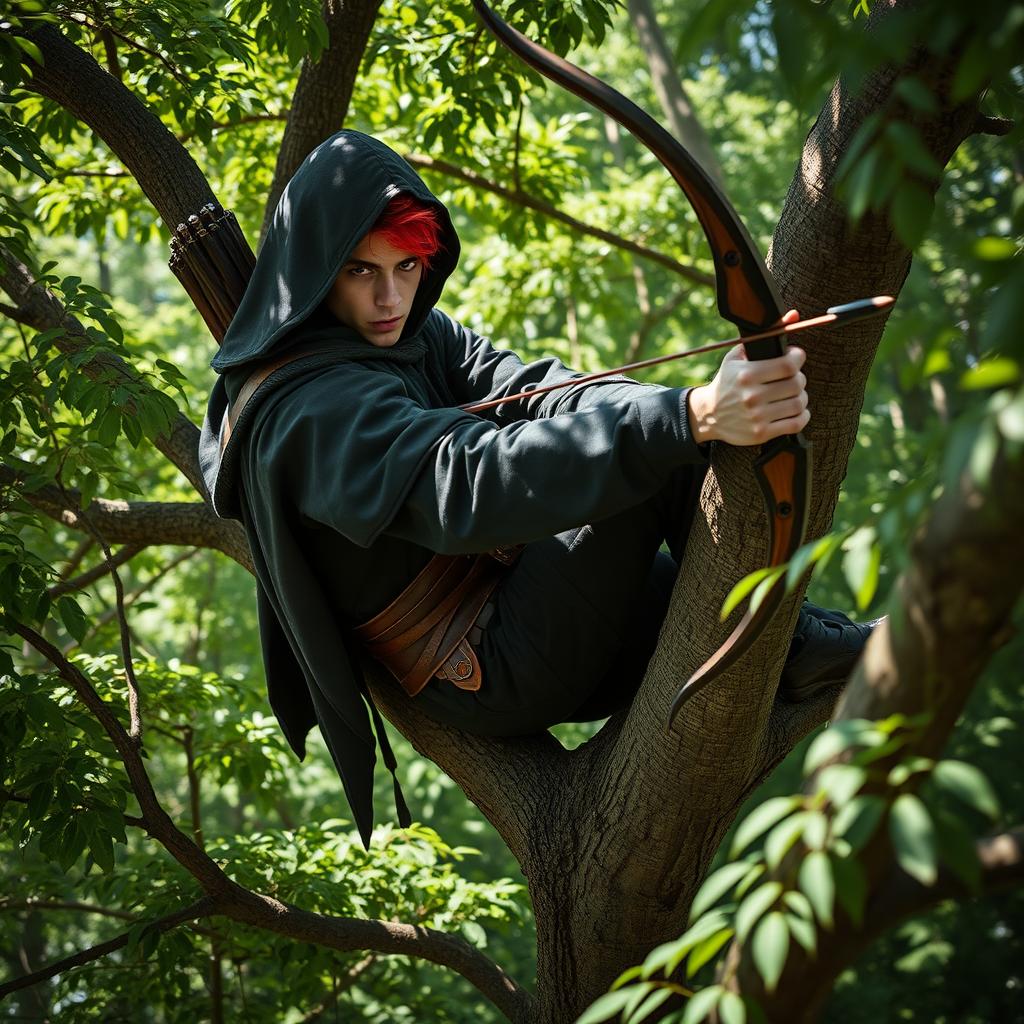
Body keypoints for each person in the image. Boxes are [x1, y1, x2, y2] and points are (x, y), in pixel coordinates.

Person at [200, 130, 874, 846]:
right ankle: (800, 644)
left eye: (407, 265)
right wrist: (690, 417)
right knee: (658, 453)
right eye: (360, 270)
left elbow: (538, 390)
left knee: (663, 466)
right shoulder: (309, 412)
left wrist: (693, 405)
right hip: (486, 662)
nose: (390, 296)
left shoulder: (414, 332)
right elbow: (463, 481)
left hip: (525, 600)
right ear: (316, 267)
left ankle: (795, 644)